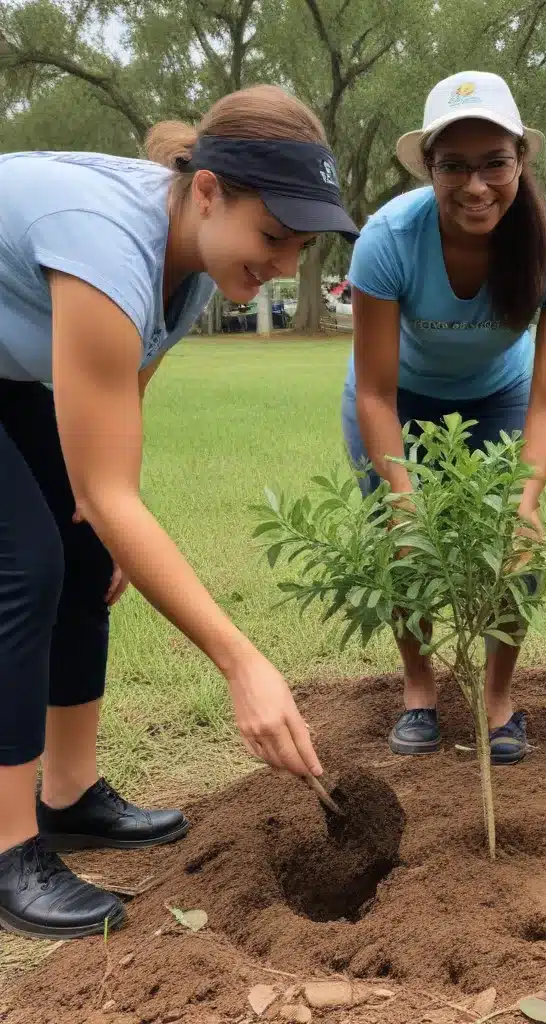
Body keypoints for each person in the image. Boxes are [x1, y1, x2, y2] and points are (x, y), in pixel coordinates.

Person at [0, 84, 360, 941]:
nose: (281, 265)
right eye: (272, 237)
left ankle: (71, 795)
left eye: (299, 249)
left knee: (88, 553)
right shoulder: (104, 246)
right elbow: (100, 484)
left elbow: (122, 398)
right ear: (206, 192)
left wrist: (115, 509)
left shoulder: (192, 263)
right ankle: (7, 849)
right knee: (26, 566)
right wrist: (242, 663)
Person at [342, 70, 546, 765]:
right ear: (429, 168)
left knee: (519, 547)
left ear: (521, 162)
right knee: (404, 547)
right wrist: (403, 503)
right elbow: (375, 394)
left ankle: (498, 698)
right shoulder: (389, 239)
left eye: (494, 164)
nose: (476, 186)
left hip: (499, 400)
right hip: (397, 398)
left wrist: (526, 499)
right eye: (454, 165)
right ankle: (419, 690)